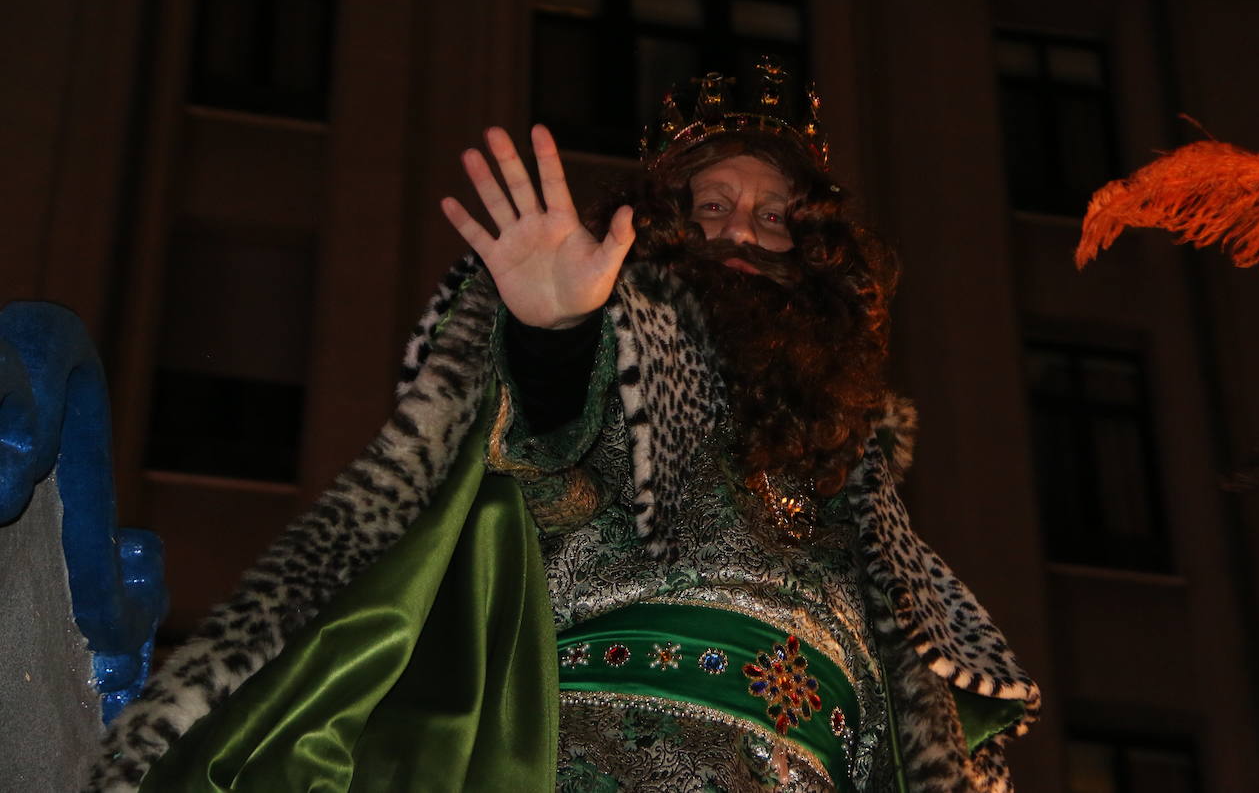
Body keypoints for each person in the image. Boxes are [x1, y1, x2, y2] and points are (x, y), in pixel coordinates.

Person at [90, 61, 1038, 791]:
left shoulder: (859, 487)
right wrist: (553, 337)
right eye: (711, 209)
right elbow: (546, 458)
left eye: (774, 219)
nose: (741, 233)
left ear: (819, 259)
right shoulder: (631, 377)